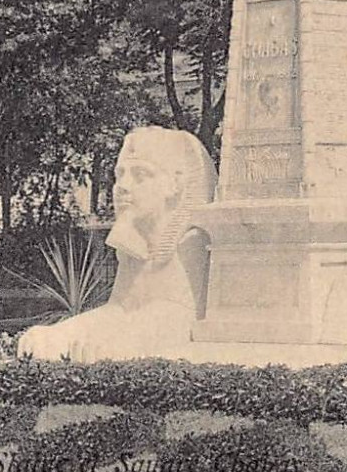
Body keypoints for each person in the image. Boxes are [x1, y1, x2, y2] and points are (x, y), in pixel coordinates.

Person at [16, 127, 216, 362]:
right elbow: (119, 309)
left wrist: (122, 340)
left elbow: (180, 317)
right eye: (120, 175)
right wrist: (63, 332)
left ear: (175, 185)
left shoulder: (192, 241)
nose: (122, 186)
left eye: (140, 175)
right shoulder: (135, 248)